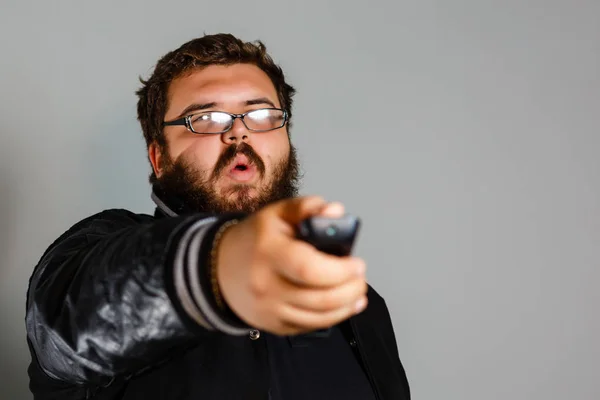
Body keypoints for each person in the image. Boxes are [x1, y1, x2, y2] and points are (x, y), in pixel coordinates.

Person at [24, 33, 410, 400]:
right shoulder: (97, 250)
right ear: (159, 158)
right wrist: (218, 268)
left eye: (260, 114)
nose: (238, 134)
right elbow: (63, 332)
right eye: (205, 119)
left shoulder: (361, 307)